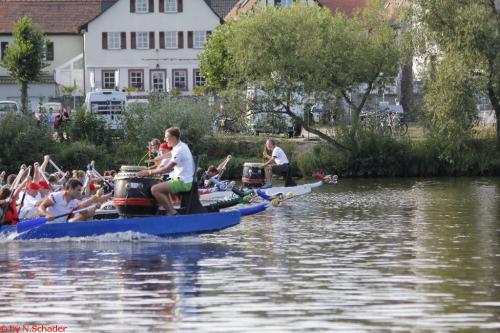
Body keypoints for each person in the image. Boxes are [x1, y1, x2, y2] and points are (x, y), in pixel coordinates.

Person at [137, 127, 194, 216]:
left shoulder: (180, 150)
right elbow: (170, 153)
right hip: (182, 180)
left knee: (154, 189)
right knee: (161, 187)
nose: (164, 139)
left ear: (173, 138)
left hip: (183, 182)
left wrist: (149, 172)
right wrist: (159, 158)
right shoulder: (180, 146)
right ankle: (171, 210)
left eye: (166, 137)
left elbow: (167, 169)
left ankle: (172, 212)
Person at [37, 178, 111, 223]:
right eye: (78, 190)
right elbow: (41, 207)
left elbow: (87, 215)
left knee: (83, 217)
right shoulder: (57, 196)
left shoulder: (74, 202)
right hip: (48, 226)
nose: (80, 193)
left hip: (61, 227)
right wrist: (47, 214)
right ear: (70, 189)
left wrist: (95, 207)